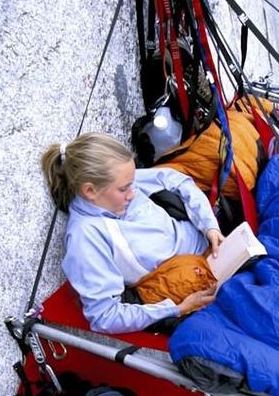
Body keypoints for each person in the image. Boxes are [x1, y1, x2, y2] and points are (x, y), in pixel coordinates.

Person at [41, 133, 224, 334]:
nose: (133, 192)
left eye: (132, 182)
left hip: (215, 248)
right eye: (124, 189)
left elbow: (175, 180)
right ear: (90, 191)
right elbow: (105, 316)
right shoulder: (85, 237)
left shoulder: (120, 186)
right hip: (190, 285)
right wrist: (176, 309)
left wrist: (209, 226)